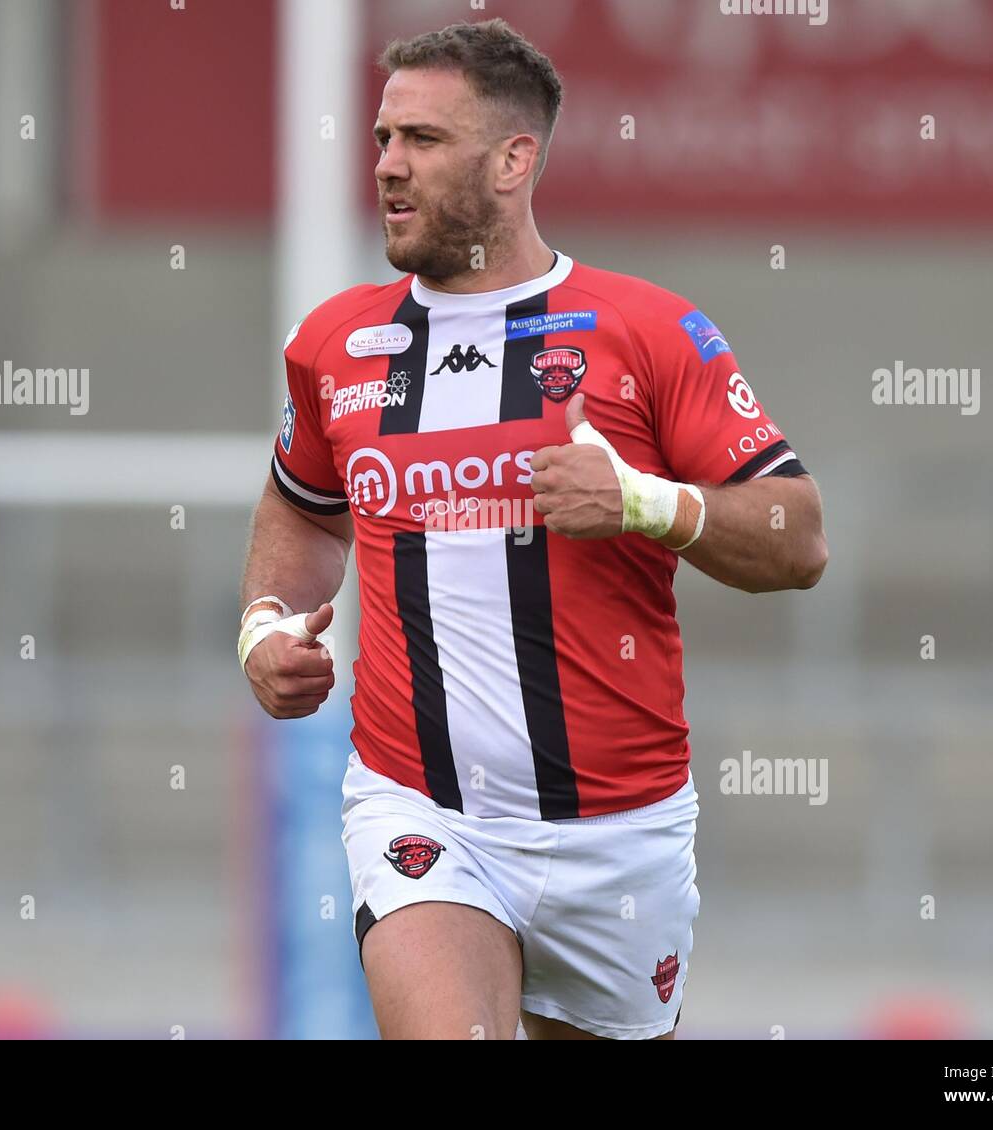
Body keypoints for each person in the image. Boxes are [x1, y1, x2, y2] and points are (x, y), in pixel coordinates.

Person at [239, 18, 828, 1040]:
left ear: (514, 159)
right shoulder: (338, 345)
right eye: (383, 138)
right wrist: (263, 625)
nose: (386, 165)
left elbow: (798, 537)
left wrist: (647, 501)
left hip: (621, 834)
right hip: (424, 813)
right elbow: (301, 502)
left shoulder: (646, 330)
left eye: (421, 140)